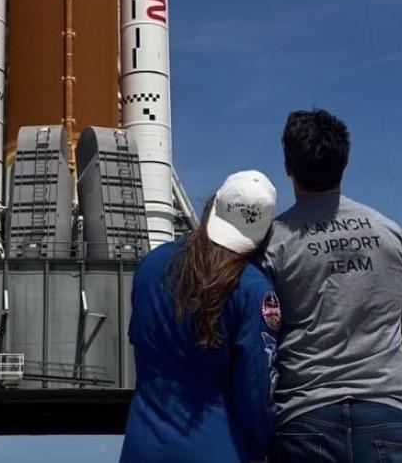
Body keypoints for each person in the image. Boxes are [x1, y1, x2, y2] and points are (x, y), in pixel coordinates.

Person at [263, 109, 402, 463]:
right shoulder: (393, 236)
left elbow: (260, 339)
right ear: (345, 161)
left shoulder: (273, 244)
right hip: (387, 416)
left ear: (288, 167)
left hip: (305, 417)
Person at [121, 170, 282, 463]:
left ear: (213, 207)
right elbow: (256, 387)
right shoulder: (253, 289)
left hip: (143, 444)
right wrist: (261, 447)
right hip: (218, 444)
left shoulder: (151, 266)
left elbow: (140, 344)